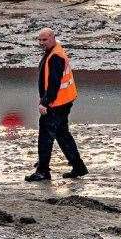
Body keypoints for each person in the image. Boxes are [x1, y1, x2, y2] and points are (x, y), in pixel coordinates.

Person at [24, 26, 87, 182]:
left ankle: (43, 171)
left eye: (44, 39)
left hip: (56, 104)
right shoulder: (54, 51)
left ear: (52, 38)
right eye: (39, 40)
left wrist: (45, 102)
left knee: (45, 136)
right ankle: (78, 167)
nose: (41, 42)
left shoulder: (55, 56)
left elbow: (54, 84)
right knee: (62, 134)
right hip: (63, 101)